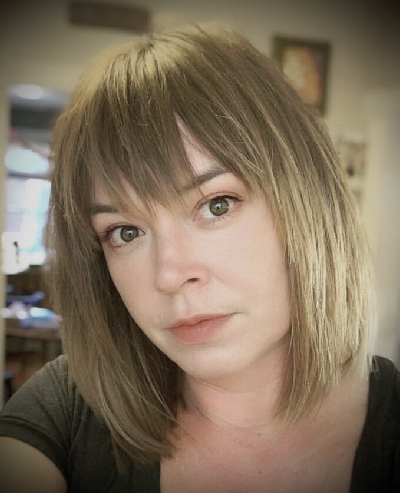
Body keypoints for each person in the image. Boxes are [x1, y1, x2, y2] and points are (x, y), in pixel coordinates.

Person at [0, 23, 399, 493]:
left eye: (216, 205)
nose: (170, 274)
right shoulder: (68, 408)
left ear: (305, 204)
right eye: (125, 232)